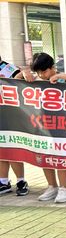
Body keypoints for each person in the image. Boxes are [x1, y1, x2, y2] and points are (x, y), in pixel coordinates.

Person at [28, 53, 66, 203]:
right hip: (42, 125)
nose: (41, 75)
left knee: (59, 156)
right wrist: (24, 73)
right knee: (44, 155)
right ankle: (52, 186)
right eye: (38, 72)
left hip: (61, 124)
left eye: (44, 71)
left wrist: (63, 77)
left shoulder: (64, 79)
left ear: (53, 67)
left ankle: (64, 187)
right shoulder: (36, 82)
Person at [0, 57, 29, 196]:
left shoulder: (8, 68)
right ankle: (3, 181)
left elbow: (23, 78)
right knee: (1, 151)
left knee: (12, 150)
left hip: (11, 115)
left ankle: (21, 181)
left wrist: (23, 73)